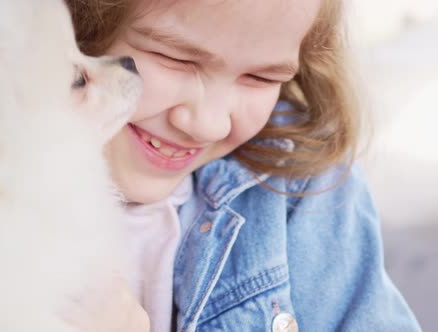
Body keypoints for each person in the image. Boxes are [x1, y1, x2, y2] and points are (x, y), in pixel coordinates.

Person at [64, 0, 422, 331]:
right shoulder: (11, 205)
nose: (210, 124)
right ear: (78, 23)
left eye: (261, 78)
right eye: (174, 58)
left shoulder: (299, 184)